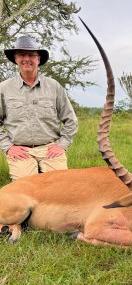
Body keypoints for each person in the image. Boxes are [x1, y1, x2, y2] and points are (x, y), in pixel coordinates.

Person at [0, 35, 78, 181]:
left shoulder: (53, 86)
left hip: (50, 149)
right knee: (25, 191)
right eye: (22, 54)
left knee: (60, 186)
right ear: (16, 59)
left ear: (38, 59)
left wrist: (61, 145)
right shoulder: (4, 88)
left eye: (31, 55)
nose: (26, 59)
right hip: (20, 150)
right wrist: (9, 147)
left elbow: (71, 120)